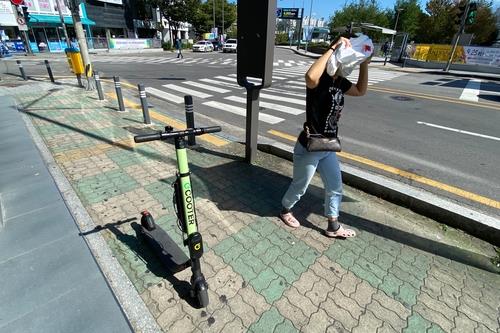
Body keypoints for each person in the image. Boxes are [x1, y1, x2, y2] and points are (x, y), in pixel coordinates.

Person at [279, 36, 371, 238]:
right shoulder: (320, 80)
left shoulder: (341, 82)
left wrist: (364, 63)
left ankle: (333, 225)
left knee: (335, 187)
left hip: (328, 146)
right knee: (300, 187)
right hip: (310, 146)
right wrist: (332, 47)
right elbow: (310, 77)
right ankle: (285, 209)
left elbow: (361, 90)